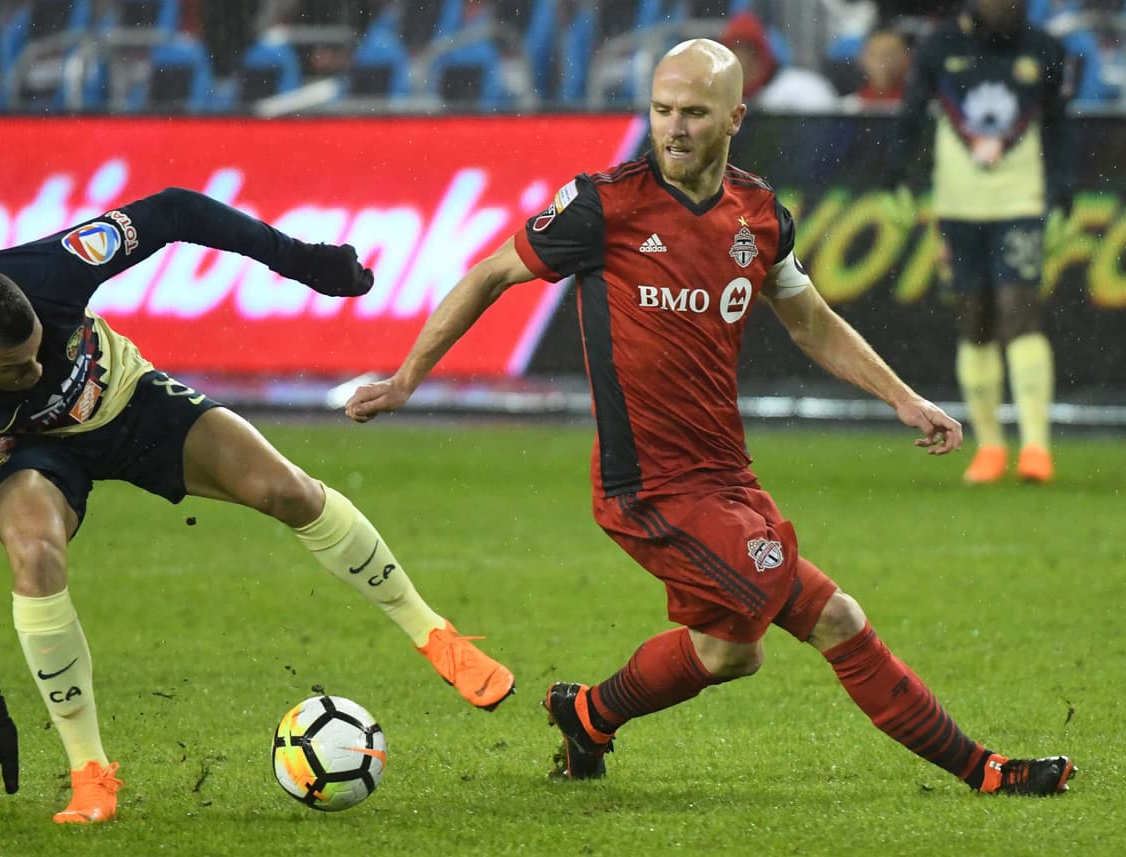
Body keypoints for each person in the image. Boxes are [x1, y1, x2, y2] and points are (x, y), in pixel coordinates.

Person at [345, 38, 1075, 796]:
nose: (674, 127)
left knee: (731, 652)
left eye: (694, 112)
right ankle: (985, 769)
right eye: (662, 110)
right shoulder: (604, 203)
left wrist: (901, 396)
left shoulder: (758, 215)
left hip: (726, 478)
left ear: (735, 117)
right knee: (836, 619)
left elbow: (811, 319)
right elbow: (493, 272)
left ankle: (589, 714)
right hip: (647, 487)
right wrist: (407, 379)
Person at [0, 188, 515, 825]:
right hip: (27, 450)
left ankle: (436, 636)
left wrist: (301, 261)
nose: (36, 370)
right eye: (14, 369)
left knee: (287, 489)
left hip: (124, 400)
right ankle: (90, 776)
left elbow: (173, 212)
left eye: (38, 348)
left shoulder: (52, 271)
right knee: (33, 555)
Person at [882, 0, 1072, 484]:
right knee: (975, 319)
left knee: (1019, 310)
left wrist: (1063, 192)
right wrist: (897, 176)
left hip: (1020, 202)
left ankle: (1035, 445)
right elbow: (910, 114)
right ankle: (989, 446)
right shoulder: (940, 45)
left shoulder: (1045, 49)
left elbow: (1058, 125)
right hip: (958, 204)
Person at [719, 11, 840, 112]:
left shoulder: (802, 89)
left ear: (764, 57)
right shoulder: (722, 103)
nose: (744, 64)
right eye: (734, 56)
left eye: (751, 54)